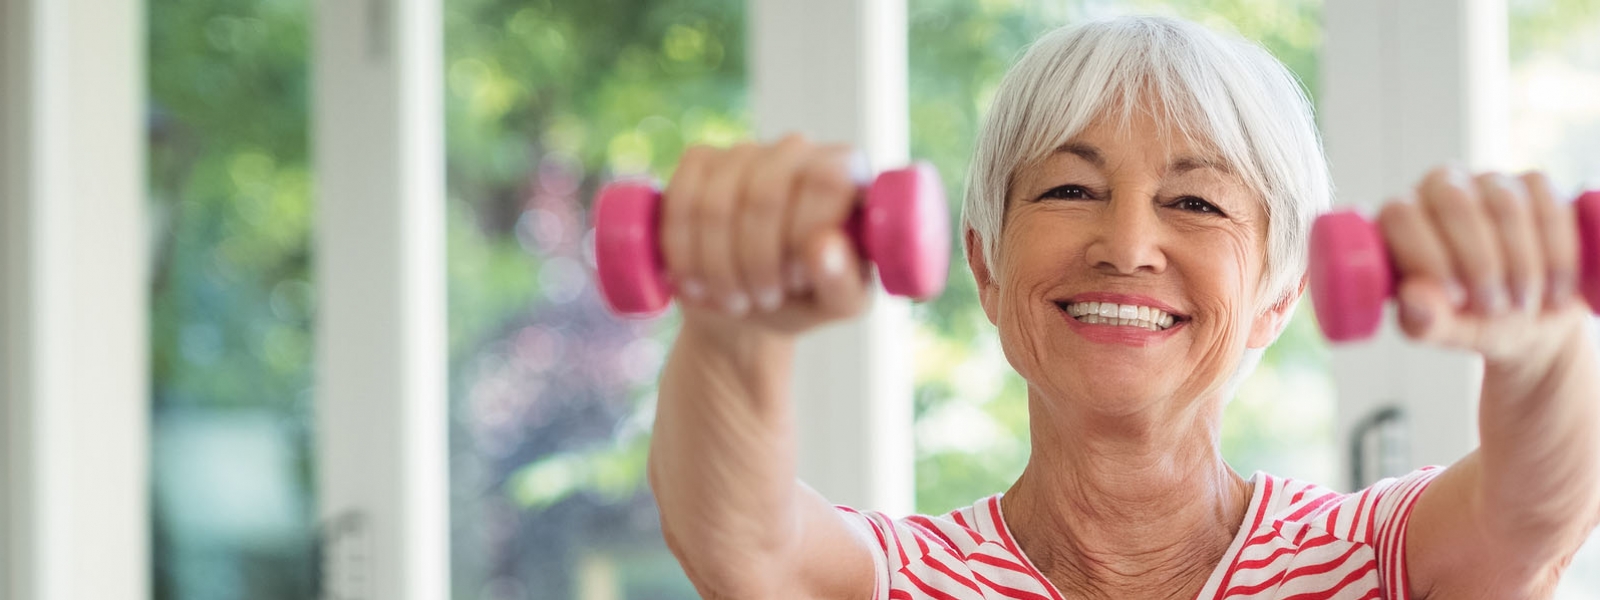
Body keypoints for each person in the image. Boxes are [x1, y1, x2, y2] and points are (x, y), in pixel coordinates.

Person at [645, 14, 1600, 600]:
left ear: (1280, 294)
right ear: (983, 263)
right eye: (1068, 191)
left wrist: (1545, 347)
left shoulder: (1372, 559)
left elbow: (1533, 517)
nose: (1127, 246)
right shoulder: (899, 580)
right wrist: (734, 330)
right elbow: (743, 542)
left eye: (1195, 202)